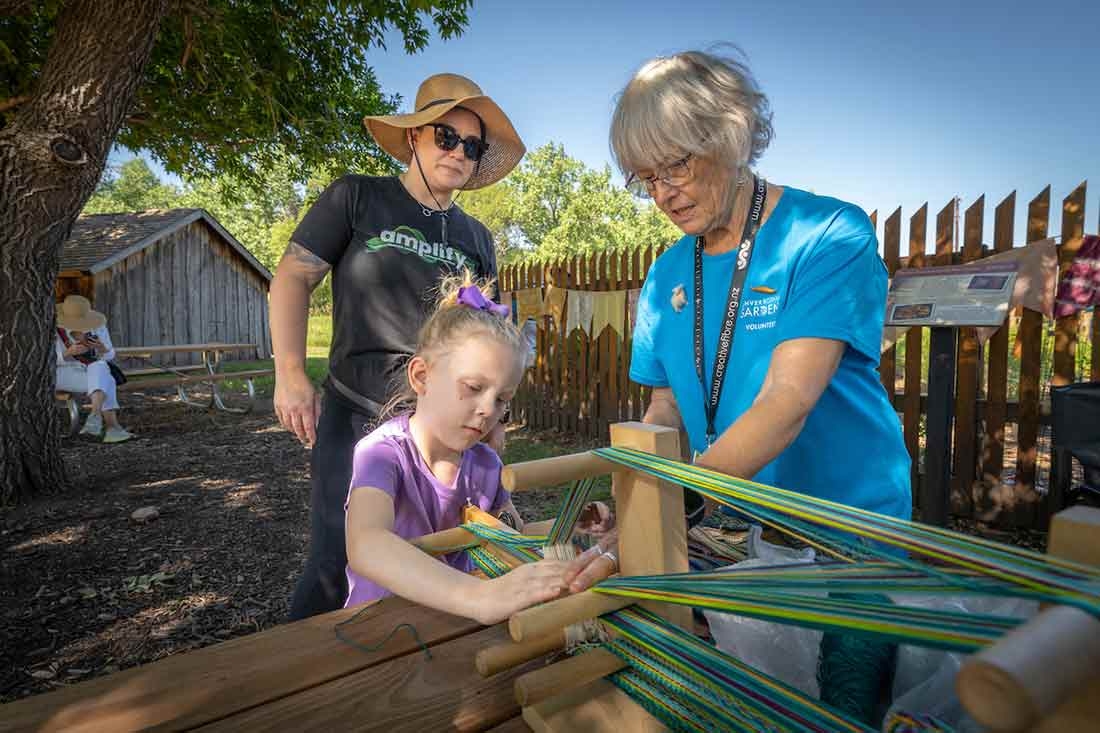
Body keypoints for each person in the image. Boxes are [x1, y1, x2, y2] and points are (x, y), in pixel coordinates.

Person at [564, 49, 911, 725]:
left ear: (728, 133)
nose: (662, 192)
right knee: (738, 702)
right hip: (747, 531)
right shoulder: (665, 274)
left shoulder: (826, 232)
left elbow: (786, 404)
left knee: (843, 708)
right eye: (645, 178)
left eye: (677, 165)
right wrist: (632, 500)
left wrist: (670, 499)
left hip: (852, 537)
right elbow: (665, 407)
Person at [271, 73, 526, 620]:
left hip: (442, 424)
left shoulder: (477, 238)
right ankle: (293, 686)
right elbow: (292, 277)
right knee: (337, 555)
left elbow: (488, 335)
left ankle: (404, 680)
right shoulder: (357, 197)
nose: (460, 152)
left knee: (443, 551)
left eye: (473, 146)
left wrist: (495, 421)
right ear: (414, 137)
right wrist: (290, 372)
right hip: (358, 410)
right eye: (446, 136)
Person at [343, 273, 568, 622]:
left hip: (452, 628)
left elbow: (514, 535)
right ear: (421, 376)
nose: (488, 410)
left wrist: (571, 526)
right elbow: (366, 542)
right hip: (380, 631)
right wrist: (477, 596)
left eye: (502, 399)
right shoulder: (382, 454)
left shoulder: (485, 464)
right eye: (474, 386)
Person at [54, 295, 133, 443]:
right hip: (61, 372)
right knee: (107, 380)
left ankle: (95, 416)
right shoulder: (52, 328)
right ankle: (112, 428)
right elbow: (42, 360)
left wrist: (102, 348)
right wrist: (66, 353)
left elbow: (109, 355)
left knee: (101, 366)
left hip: (91, 371)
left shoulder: (97, 325)